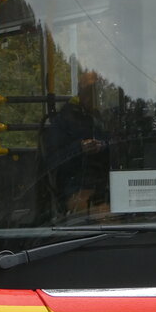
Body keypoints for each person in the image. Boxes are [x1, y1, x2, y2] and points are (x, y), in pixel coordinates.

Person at [43, 70, 109, 214]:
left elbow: (119, 147)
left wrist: (102, 146)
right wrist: (80, 148)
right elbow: (52, 160)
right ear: (81, 92)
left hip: (107, 185)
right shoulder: (63, 121)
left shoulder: (101, 119)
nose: (93, 95)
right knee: (104, 215)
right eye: (89, 90)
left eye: (97, 90)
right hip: (75, 186)